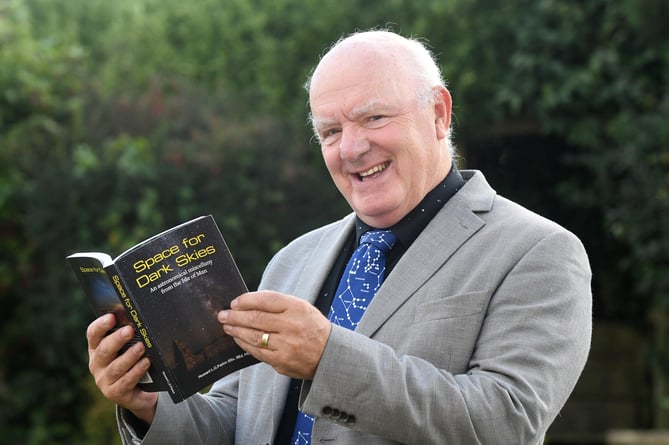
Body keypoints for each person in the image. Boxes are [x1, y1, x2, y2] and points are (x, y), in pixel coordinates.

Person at [87, 29, 592, 444]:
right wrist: (148, 405)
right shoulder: (292, 260)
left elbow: (506, 424)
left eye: (373, 117)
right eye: (330, 132)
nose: (351, 148)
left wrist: (328, 359)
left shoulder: (539, 252)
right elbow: (236, 425)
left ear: (439, 113)